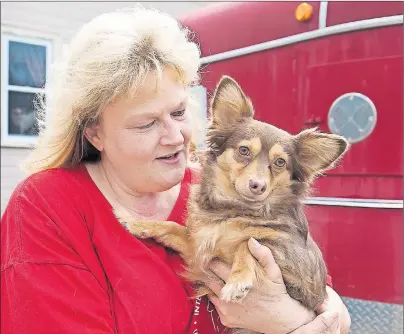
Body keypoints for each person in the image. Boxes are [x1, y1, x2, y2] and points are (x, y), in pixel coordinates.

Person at [0, 5, 351, 334]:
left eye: (179, 112)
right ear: (95, 133)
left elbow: (326, 303)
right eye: (146, 124)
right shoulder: (46, 207)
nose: (175, 136)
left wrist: (283, 316)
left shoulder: (219, 188)